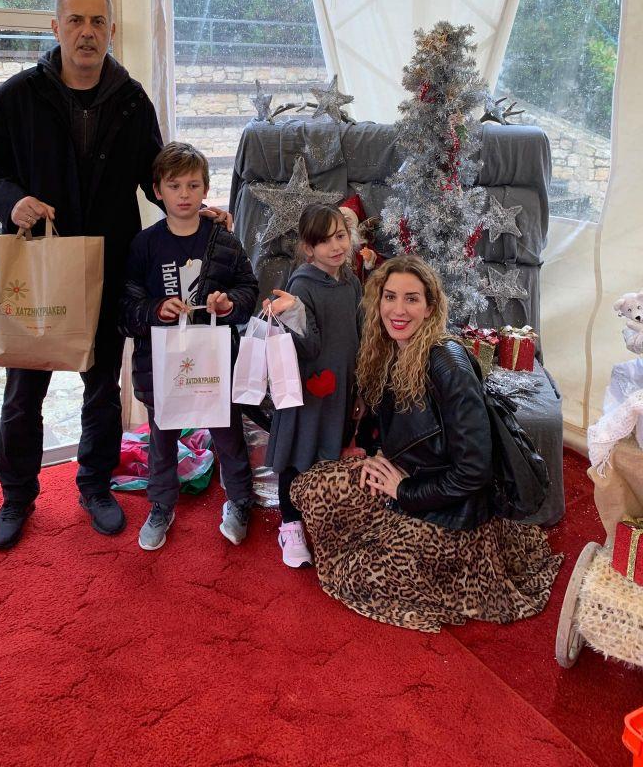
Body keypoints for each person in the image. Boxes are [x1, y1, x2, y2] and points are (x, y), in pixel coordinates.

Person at [0, 0, 228, 551]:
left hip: (112, 267)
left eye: (97, 22)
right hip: (41, 267)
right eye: (75, 21)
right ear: (56, 27)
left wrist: (194, 208)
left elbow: (157, 176)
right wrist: (12, 200)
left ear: (110, 31)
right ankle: (16, 495)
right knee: (24, 391)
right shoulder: (17, 96)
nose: (86, 32)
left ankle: (95, 486)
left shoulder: (132, 100)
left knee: (103, 388)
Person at [290, 254, 563, 632]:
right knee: (310, 488)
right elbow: (404, 430)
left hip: (453, 511)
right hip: (413, 476)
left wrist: (403, 490)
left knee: (355, 575)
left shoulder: (448, 365)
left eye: (411, 299)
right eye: (390, 297)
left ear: (430, 307)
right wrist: (380, 457)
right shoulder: (389, 348)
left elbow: (474, 471)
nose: (398, 310)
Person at [119, 142, 258, 550]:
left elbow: (248, 288)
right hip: (161, 363)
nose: (184, 194)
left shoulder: (224, 240)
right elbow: (125, 307)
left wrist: (229, 304)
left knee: (228, 434)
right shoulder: (145, 245)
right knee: (162, 440)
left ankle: (239, 500)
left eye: (193, 185)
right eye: (174, 185)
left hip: (215, 360)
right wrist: (155, 309)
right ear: (157, 190)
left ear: (205, 189)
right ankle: (161, 505)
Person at [263, 203, 362, 569]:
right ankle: (290, 525)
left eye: (341, 236)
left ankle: (321, 515)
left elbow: (358, 334)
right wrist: (294, 311)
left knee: (330, 451)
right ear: (308, 247)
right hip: (307, 392)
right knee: (297, 454)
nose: (336, 246)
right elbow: (309, 346)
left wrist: (360, 387)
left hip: (341, 388)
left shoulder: (351, 281)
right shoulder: (302, 284)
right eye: (324, 241)